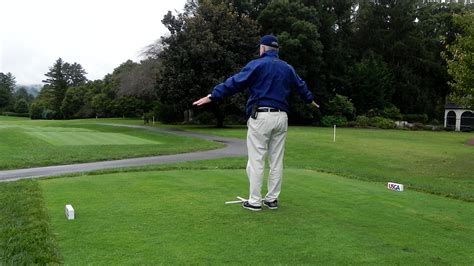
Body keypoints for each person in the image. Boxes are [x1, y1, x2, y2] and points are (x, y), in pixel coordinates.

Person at [193, 35, 319, 211]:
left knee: (257, 159)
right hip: (281, 117)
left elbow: (235, 82)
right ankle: (272, 200)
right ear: (276, 50)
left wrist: (212, 95)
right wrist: (310, 100)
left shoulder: (257, 65)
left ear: (263, 49)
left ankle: (254, 201)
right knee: (276, 160)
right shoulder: (287, 68)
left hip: (261, 117)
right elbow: (301, 86)